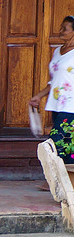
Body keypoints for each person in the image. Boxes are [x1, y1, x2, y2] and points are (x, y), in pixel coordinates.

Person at [31, 15, 74, 165]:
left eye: (65, 29)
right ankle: (66, 178)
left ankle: (55, 176)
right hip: (56, 104)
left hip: (70, 106)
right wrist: (39, 96)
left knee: (57, 140)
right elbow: (55, 81)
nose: (60, 31)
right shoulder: (57, 51)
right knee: (67, 144)